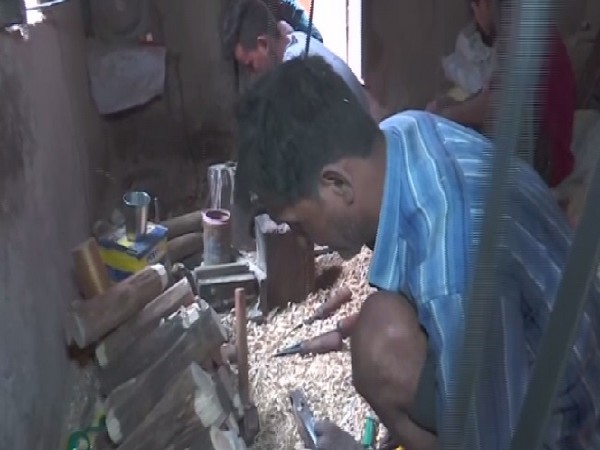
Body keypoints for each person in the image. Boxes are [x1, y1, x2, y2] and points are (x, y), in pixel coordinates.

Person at [234, 55, 600, 450]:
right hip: (540, 363)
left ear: (337, 184)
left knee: (381, 348)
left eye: (299, 224)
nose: (305, 241)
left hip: (572, 430)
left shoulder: (451, 266)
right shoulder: (401, 134)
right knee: (380, 324)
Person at [427, 0, 576, 188]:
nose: (475, 13)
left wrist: (446, 115)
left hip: (545, 165)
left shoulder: (529, 37)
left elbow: (496, 105)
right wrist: (450, 106)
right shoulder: (515, 36)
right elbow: (488, 94)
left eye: (476, 4)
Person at [222, 0, 368, 110]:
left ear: (263, 44)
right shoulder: (297, 38)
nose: (252, 72)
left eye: (250, 64)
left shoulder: (296, 72)